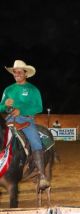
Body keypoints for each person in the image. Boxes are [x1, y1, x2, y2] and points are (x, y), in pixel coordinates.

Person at [0, 60, 49, 189]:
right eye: (15, 72)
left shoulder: (33, 90)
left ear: (26, 73)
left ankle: (42, 175)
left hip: (26, 120)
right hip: (9, 119)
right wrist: (5, 105)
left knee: (35, 142)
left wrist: (21, 110)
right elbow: (0, 107)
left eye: (19, 72)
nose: (17, 74)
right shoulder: (8, 89)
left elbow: (38, 107)